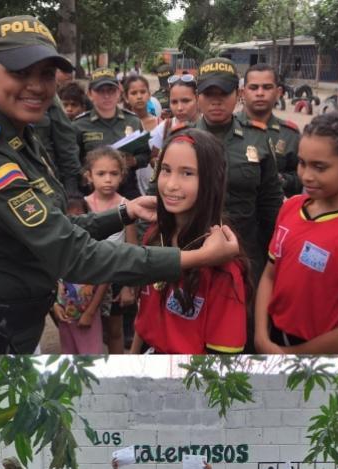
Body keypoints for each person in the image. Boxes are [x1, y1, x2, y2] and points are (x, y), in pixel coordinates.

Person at [0, 16, 242, 354]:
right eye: (20, 72)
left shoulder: (19, 136)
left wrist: (124, 213)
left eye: (46, 74)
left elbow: (56, 226)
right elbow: (73, 254)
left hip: (7, 325)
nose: (36, 86)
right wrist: (194, 257)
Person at [255, 112, 338, 353]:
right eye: (302, 163)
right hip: (272, 338)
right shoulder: (291, 207)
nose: (306, 176)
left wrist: (290, 355)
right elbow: (269, 276)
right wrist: (261, 337)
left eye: (320, 167)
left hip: (319, 353)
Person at [131, 129, 248, 353]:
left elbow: (221, 357)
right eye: (166, 170)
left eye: (187, 173)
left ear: (211, 180)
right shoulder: (155, 235)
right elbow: (143, 320)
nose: (171, 184)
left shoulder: (222, 262)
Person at [192, 58, 283, 286]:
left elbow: (271, 203)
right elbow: (158, 201)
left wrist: (274, 257)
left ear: (238, 94)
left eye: (224, 93)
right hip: (193, 253)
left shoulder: (258, 138)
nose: (216, 101)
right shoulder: (181, 139)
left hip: (247, 256)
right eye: (208, 94)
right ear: (197, 96)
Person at [80, 146, 136, 353]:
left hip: (115, 276)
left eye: (114, 173)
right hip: (85, 278)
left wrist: (129, 286)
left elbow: (132, 246)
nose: (108, 179)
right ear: (89, 176)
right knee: (85, 327)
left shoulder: (126, 206)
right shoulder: (82, 205)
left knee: (114, 331)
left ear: (122, 176)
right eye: (101, 174)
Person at [75, 68, 149, 200]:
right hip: (92, 193)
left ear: (119, 92)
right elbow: (72, 162)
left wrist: (134, 161)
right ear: (90, 94)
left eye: (111, 90)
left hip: (127, 191)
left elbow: (145, 154)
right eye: (100, 91)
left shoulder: (133, 121)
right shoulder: (79, 125)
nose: (107, 96)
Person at [241, 64, 302, 197]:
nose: (260, 93)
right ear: (243, 92)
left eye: (267, 87)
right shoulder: (228, 127)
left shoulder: (290, 135)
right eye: (253, 87)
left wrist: (283, 180)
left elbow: (303, 177)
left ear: (278, 92)